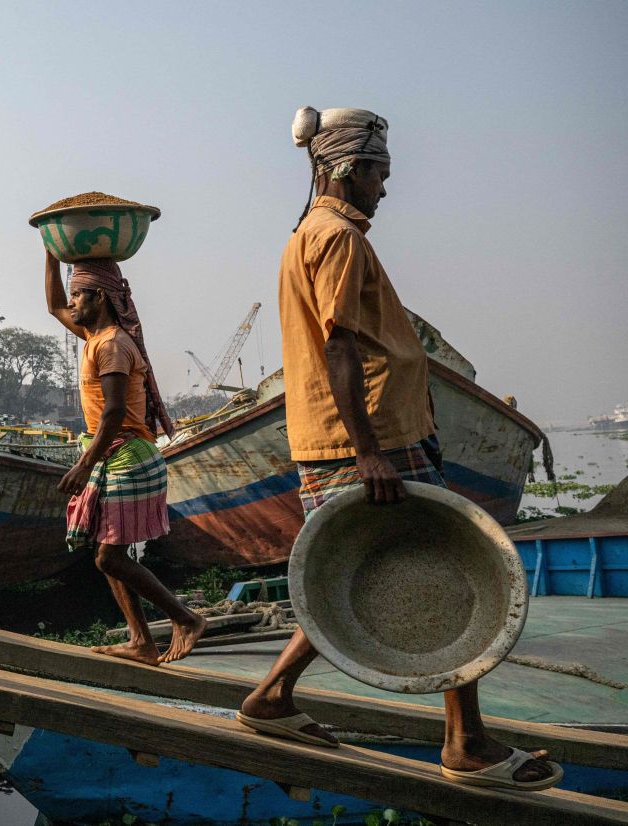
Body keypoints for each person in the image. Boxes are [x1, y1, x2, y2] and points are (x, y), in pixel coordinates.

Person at [236, 106, 562, 791]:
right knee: (450, 565)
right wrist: (370, 451)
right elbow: (340, 345)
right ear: (351, 171)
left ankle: (271, 698)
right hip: (375, 437)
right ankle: (466, 744)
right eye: (381, 174)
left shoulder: (311, 233)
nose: (386, 188)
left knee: (343, 573)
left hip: (352, 436)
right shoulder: (339, 240)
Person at [45, 252, 206, 665]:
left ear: (98, 298)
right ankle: (140, 640)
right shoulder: (94, 338)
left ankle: (185, 619)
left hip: (128, 458)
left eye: (79, 296)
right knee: (106, 555)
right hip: (109, 458)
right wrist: (49, 252)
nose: (72, 304)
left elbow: (115, 413)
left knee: (108, 556)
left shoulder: (113, 344)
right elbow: (52, 305)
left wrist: (83, 465)